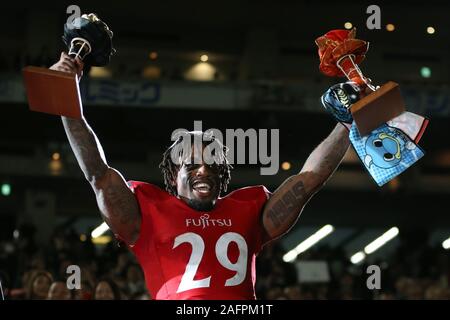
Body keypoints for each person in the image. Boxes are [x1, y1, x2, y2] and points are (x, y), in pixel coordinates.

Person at [49, 52, 350, 300]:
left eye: (212, 163)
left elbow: (310, 178)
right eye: (191, 165)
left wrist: (347, 123)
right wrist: (66, 97)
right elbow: (98, 174)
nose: (203, 170)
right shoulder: (147, 212)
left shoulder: (249, 208)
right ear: (172, 174)